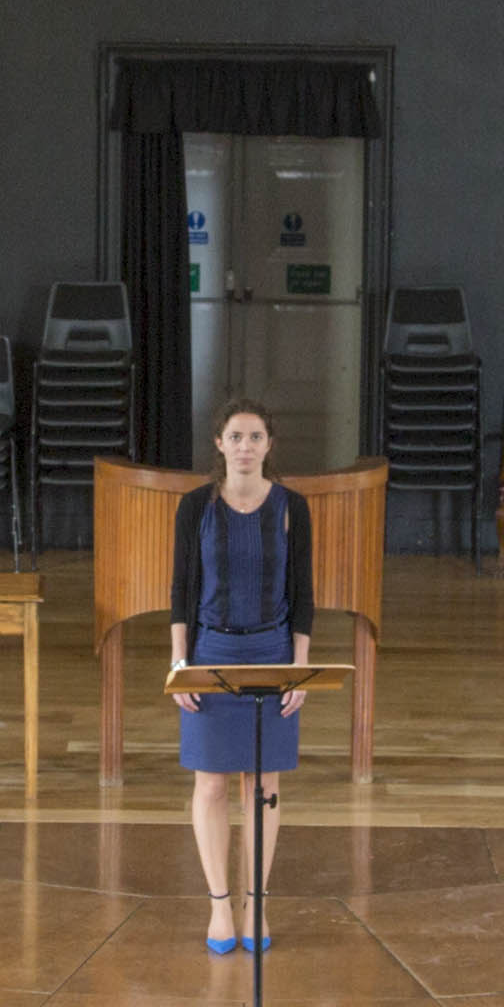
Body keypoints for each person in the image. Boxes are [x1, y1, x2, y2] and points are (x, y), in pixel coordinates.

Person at [168, 402, 312, 958]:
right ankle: (220, 905)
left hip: (273, 653)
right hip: (213, 653)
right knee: (210, 784)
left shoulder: (292, 507)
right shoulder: (195, 507)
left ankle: (257, 902)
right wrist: (180, 664)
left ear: (269, 444)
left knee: (263, 784)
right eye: (236, 436)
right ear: (220, 443)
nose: (245, 446)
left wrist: (299, 667)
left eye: (255, 436)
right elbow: (181, 590)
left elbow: (303, 595)